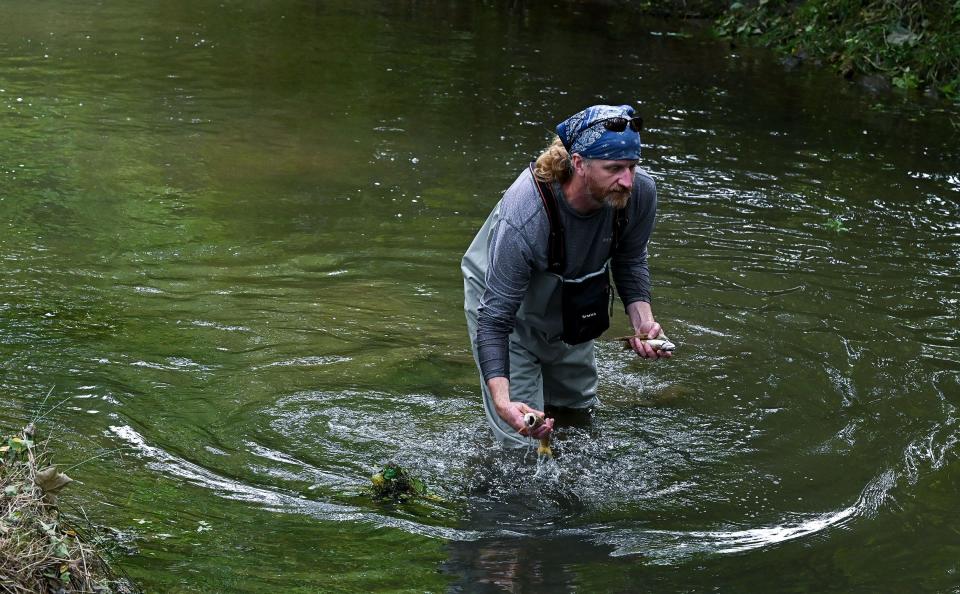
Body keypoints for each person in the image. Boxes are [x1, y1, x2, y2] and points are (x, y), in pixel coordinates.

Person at [461, 104, 671, 448]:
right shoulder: (525, 213)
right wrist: (502, 401)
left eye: (633, 167)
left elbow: (630, 259)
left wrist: (643, 323)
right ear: (578, 163)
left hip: (573, 293)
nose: (628, 180)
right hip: (501, 303)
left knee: (576, 414)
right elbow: (495, 319)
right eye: (614, 168)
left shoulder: (640, 193)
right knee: (524, 436)